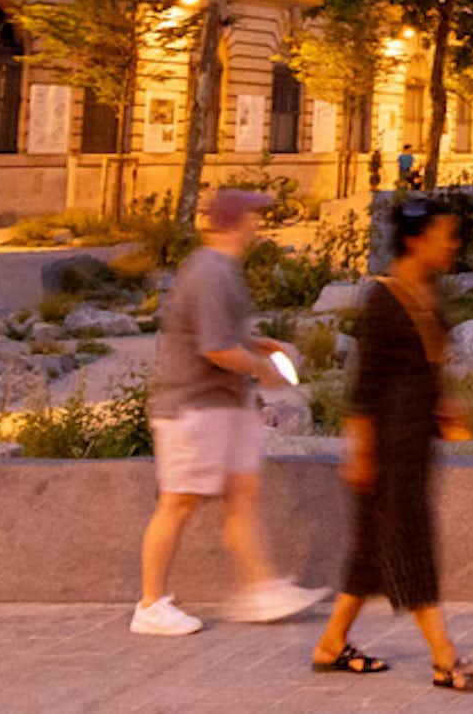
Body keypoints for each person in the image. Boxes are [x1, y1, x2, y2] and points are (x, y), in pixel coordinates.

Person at [312, 198, 473, 691]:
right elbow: (363, 390)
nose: (452, 244)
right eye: (444, 234)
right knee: (409, 545)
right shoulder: (382, 302)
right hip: (389, 449)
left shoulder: (428, 290)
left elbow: (426, 364)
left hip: (416, 440)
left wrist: (444, 404)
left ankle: (331, 644)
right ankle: (444, 659)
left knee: (372, 551)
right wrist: (362, 453)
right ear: (416, 239)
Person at [133, 187, 325, 636]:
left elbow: (222, 333)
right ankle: (150, 604)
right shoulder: (210, 271)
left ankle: (261, 590)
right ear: (236, 221)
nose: (259, 224)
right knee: (179, 503)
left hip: (223, 405)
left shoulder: (222, 270)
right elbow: (215, 347)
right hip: (193, 406)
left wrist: (261, 346)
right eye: (255, 216)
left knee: (241, 495)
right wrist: (262, 368)